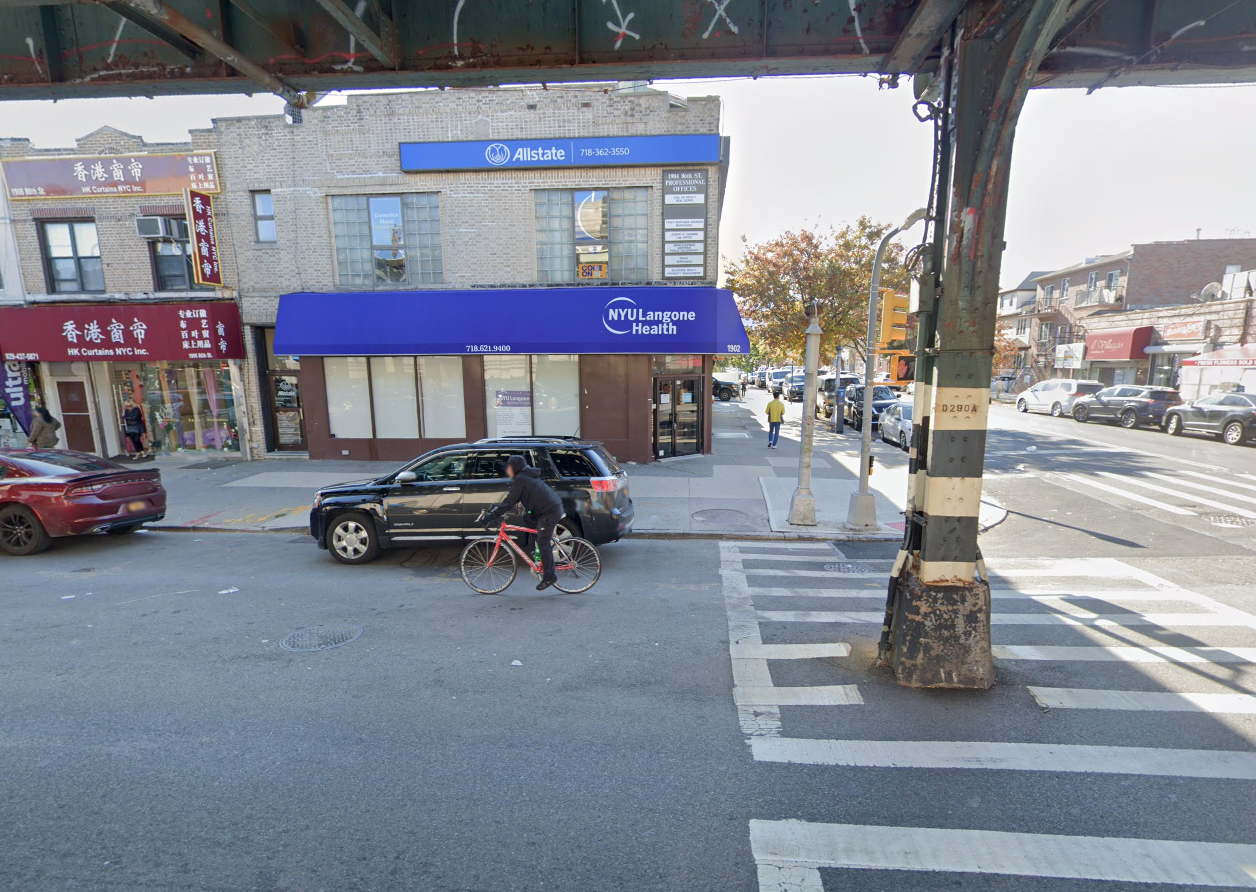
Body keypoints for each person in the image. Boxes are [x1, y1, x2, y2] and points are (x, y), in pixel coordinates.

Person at [484, 454, 564, 591]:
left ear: (515, 467)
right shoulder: (525, 476)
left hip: (549, 512)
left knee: (544, 542)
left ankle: (549, 577)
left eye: (509, 467)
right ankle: (537, 549)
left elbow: (509, 501)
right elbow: (521, 495)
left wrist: (492, 515)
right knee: (527, 518)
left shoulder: (521, 478)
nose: (507, 470)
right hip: (544, 510)